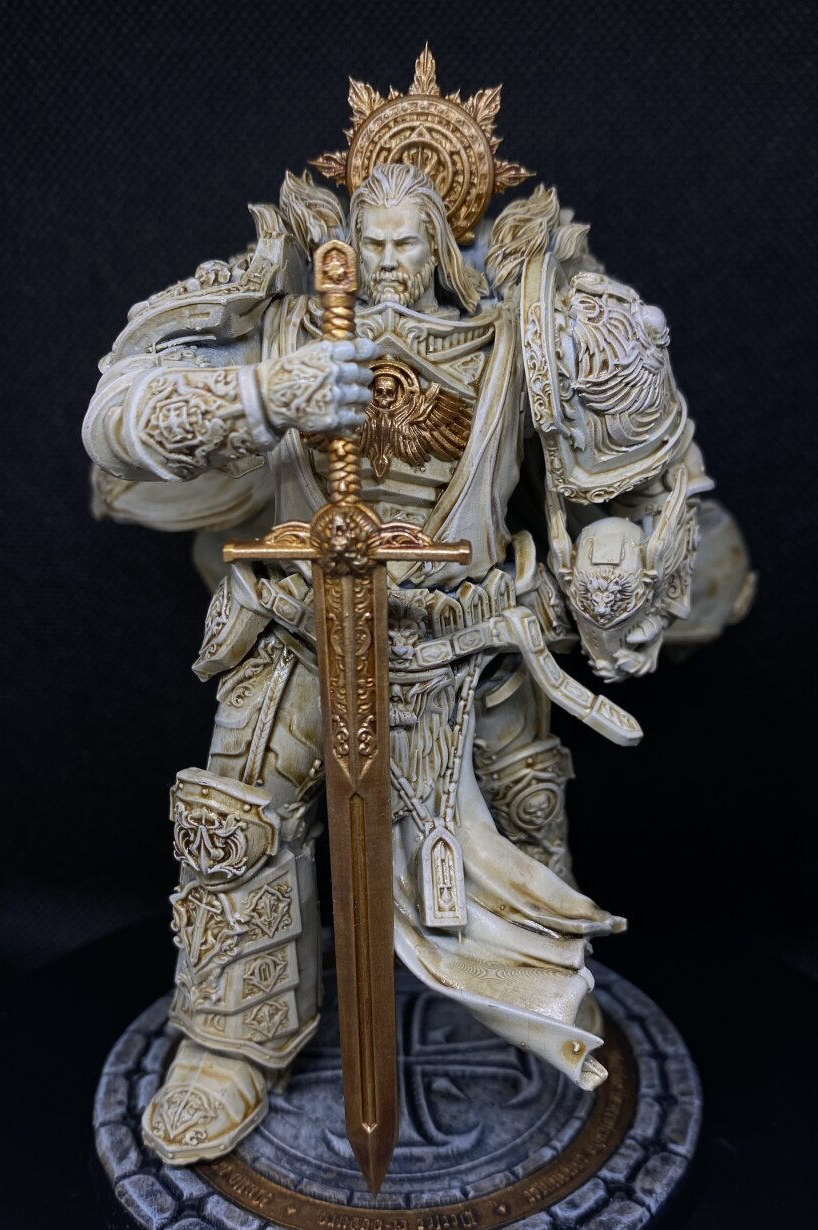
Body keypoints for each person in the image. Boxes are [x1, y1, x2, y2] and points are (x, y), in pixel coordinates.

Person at [83, 59, 752, 1167]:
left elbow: (644, 484)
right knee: (233, 824)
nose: (388, 264)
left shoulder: (534, 330)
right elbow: (116, 416)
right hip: (303, 636)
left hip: (468, 645)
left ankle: (524, 1013)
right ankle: (230, 1042)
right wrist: (265, 394)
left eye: (409, 245)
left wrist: (615, 553)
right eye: (372, 242)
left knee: (526, 833)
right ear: (342, 238)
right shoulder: (285, 318)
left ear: (446, 241)